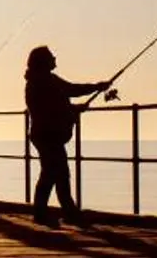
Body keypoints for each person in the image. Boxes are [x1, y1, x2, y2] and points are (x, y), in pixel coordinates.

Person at [23, 45, 110, 227]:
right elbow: (69, 92)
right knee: (52, 174)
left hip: (44, 133)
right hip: (48, 134)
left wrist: (76, 107)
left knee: (57, 173)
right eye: (52, 57)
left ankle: (66, 213)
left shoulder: (40, 80)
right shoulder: (45, 81)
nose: (55, 59)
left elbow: (59, 101)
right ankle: (50, 214)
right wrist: (96, 88)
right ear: (44, 62)